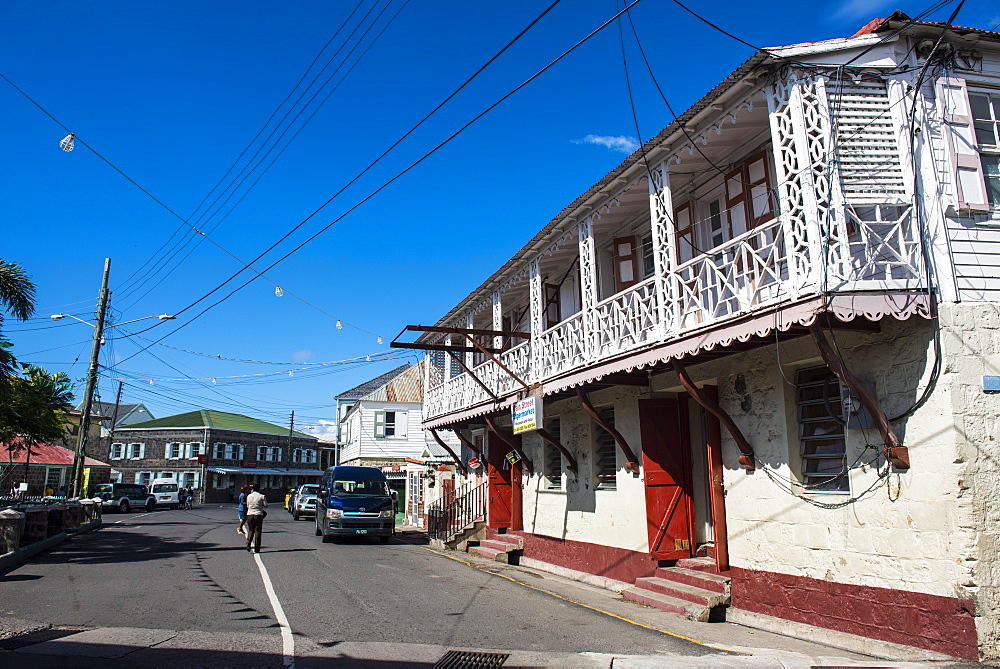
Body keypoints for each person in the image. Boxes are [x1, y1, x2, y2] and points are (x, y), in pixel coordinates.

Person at [244, 484, 268, 553]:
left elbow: (248, 505)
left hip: (250, 514)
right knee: (257, 531)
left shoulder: (249, 496)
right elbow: (265, 505)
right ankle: (257, 548)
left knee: (251, 529)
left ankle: (248, 543)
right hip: (258, 514)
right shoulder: (261, 496)